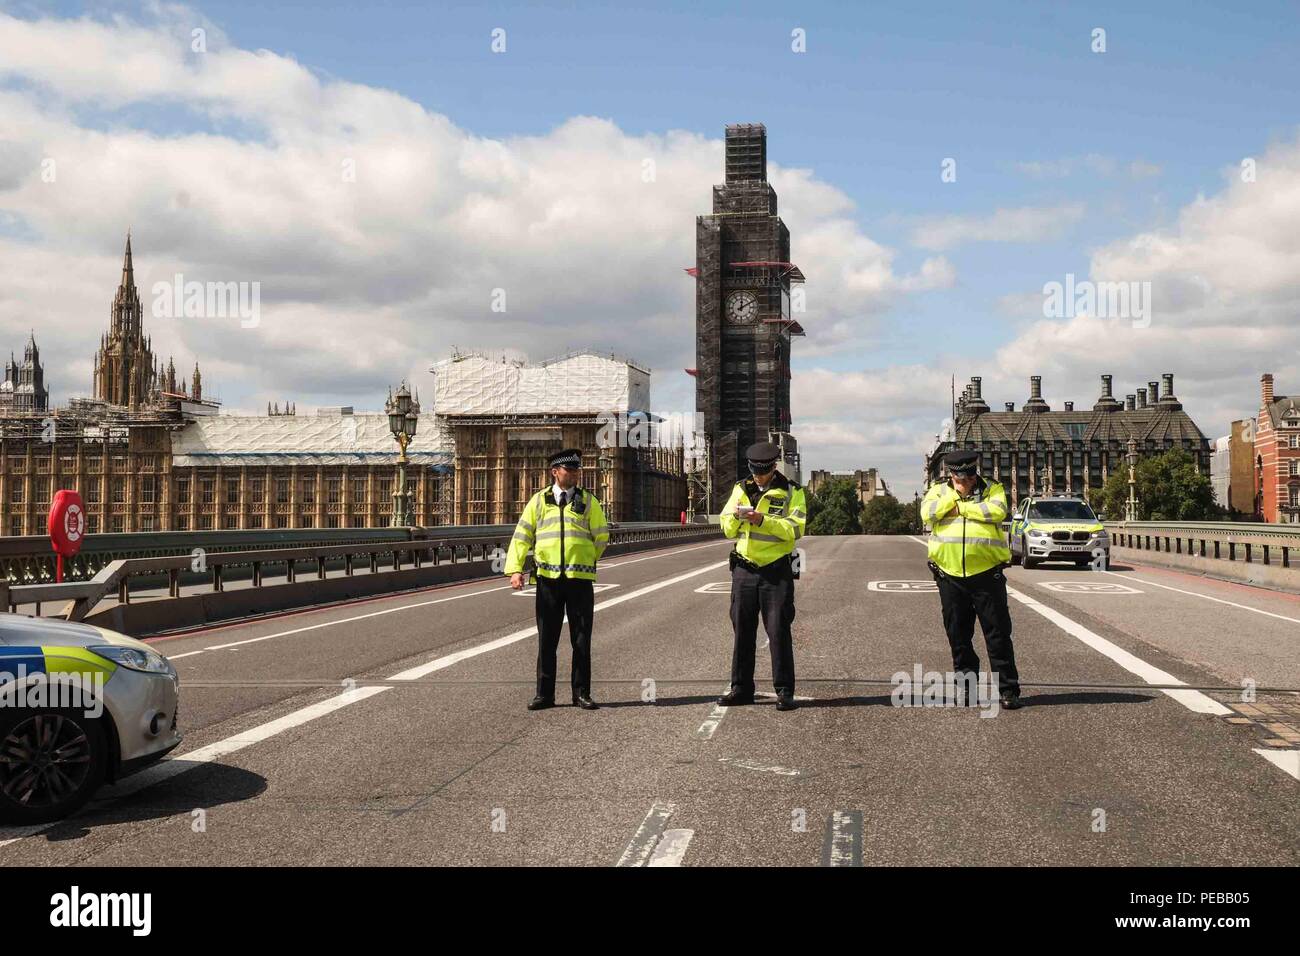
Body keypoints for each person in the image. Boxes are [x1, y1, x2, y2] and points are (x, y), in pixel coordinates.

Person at [504, 448, 609, 711]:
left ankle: (581, 693)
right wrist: (515, 569)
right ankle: (544, 694)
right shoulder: (539, 501)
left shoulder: (588, 501)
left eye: (576, 470)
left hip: (579, 579)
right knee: (547, 639)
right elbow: (522, 536)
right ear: (555, 472)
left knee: (581, 639)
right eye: (569, 470)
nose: (574, 474)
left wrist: (584, 557)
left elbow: (601, 537)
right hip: (547, 579)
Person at [921, 448, 1022, 709]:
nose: (964, 484)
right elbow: (927, 514)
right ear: (951, 475)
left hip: (987, 573)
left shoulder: (993, 489)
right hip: (949, 574)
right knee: (958, 636)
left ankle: (1008, 690)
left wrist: (961, 509)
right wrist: (956, 499)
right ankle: (968, 689)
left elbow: (997, 512)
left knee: (998, 634)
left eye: (968, 479)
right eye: (959, 480)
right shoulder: (938, 491)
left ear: (974, 474)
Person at [717, 441, 807, 711]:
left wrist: (762, 520)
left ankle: (784, 691)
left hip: (775, 571)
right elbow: (726, 528)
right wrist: (736, 517)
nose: (758, 476)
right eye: (754, 471)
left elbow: (795, 529)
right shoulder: (740, 489)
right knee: (742, 631)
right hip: (744, 569)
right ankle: (741, 688)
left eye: (763, 471)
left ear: (773, 467)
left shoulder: (792, 492)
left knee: (779, 630)